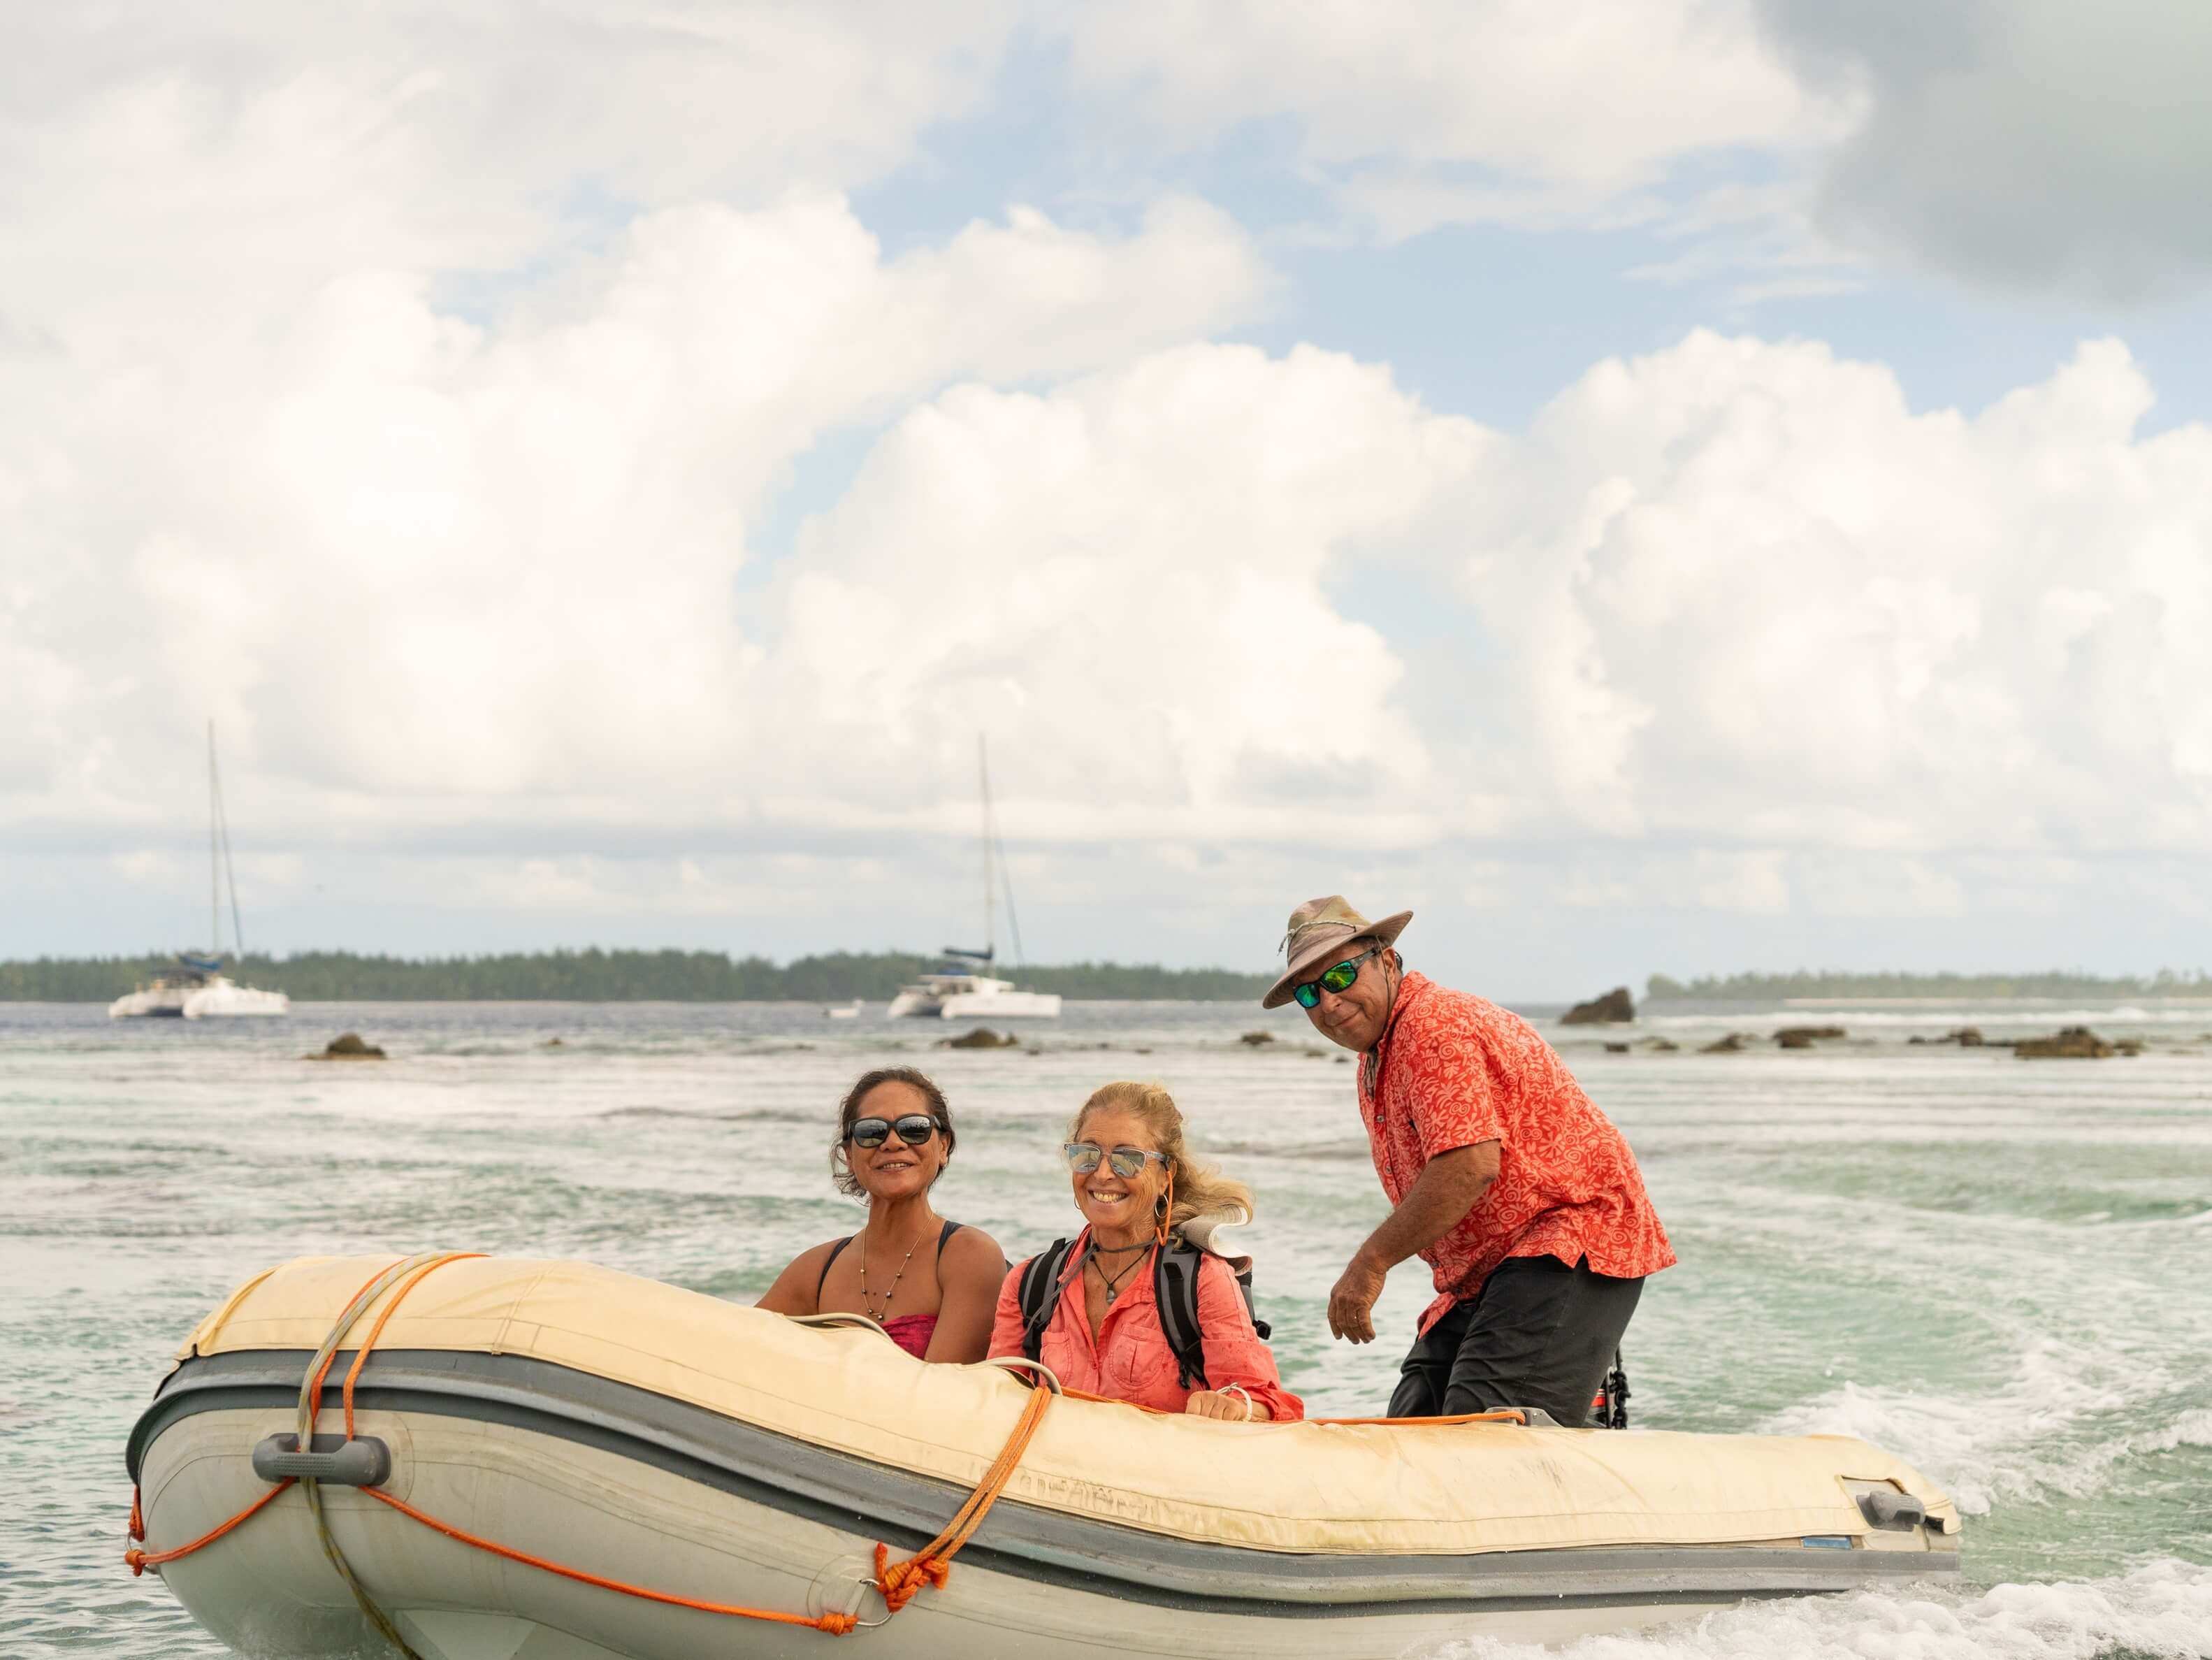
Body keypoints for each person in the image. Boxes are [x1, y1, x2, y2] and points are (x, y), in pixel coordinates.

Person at [1264, 896, 1674, 1426]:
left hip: (1568, 1236)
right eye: (1307, 991)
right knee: (1411, 1427)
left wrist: (1370, 1261)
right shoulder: (1379, 1055)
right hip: (1487, 1271)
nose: (1328, 1001)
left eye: (1341, 974)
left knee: (1478, 1430)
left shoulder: (1431, 1027)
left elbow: (1468, 1163)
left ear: (1387, 961)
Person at [990, 1081, 1302, 1422]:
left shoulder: (1201, 1280)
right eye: (1087, 1155)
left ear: (1167, 1175)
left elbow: (1272, 1407)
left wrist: (1236, 1407)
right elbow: (994, 1401)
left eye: (1128, 1159)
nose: (1103, 1173)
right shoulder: (1030, 1283)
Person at [757, 1067, 1007, 1364]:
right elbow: (728, 1340)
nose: (893, 1142)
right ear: (849, 1156)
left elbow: (945, 1392)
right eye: (871, 1131)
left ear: (943, 1147)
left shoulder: (969, 1255)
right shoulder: (816, 1270)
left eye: (914, 1128)